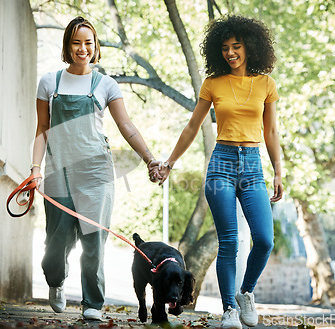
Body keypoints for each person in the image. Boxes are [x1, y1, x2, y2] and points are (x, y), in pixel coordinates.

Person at [151, 15, 283, 329]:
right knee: (230, 241)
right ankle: (229, 310)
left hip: (252, 165)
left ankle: (245, 294)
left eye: (236, 46)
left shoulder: (266, 83)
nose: (230, 52)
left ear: (250, 46)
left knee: (264, 239)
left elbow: (272, 131)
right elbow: (192, 127)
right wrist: (169, 163)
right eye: (224, 47)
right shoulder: (213, 83)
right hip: (221, 163)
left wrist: (279, 171)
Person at [30, 16, 160, 320]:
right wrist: (36, 168)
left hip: (96, 173)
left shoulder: (106, 84)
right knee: (56, 243)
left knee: (93, 241)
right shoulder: (50, 82)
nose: (82, 48)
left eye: (88, 42)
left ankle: (92, 304)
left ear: (96, 46)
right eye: (76, 42)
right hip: (58, 173)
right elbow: (41, 129)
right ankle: (55, 281)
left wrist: (149, 158)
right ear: (67, 46)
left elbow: (126, 125)